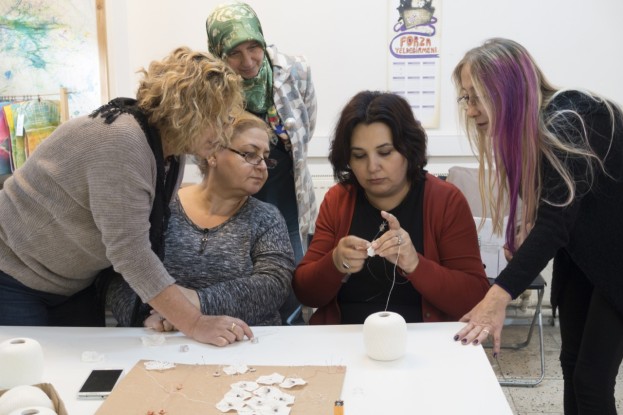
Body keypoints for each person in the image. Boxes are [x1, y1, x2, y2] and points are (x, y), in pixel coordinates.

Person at [0, 46, 254, 347]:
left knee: (84, 374)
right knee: (29, 383)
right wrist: (195, 322)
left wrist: (156, 309)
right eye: (219, 119)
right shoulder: (122, 142)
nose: (225, 134)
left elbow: (145, 240)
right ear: (188, 112)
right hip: (13, 276)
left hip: (72, 284)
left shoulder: (169, 152)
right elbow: (130, 253)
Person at [452, 38, 623, 414]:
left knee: (592, 381)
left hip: (614, 259)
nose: (471, 110)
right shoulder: (538, 130)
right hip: (588, 255)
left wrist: (496, 298)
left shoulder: (571, 118)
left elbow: (556, 222)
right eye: (466, 98)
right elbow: (559, 212)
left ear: (508, 90)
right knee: (573, 366)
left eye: (478, 96)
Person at [292, 91, 490, 325]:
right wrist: (335, 263)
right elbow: (304, 292)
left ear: (408, 148)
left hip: (422, 342)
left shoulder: (445, 200)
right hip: (344, 339)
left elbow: (475, 297)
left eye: (385, 153)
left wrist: (415, 264)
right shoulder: (338, 199)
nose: (372, 166)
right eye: (359, 156)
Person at [107, 111, 294, 328]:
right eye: (250, 154)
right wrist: (144, 318)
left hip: (243, 344)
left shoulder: (267, 218)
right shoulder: (161, 207)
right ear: (212, 154)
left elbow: (273, 285)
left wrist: (195, 303)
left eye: (265, 157)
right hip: (160, 342)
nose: (262, 166)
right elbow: (121, 274)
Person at [206, 2, 317, 323]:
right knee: (245, 287)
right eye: (234, 53)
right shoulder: (210, 86)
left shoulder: (296, 72)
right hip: (238, 204)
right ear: (217, 53)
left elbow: (305, 131)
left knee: (295, 284)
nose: (248, 61)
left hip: (289, 199)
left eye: (253, 47)